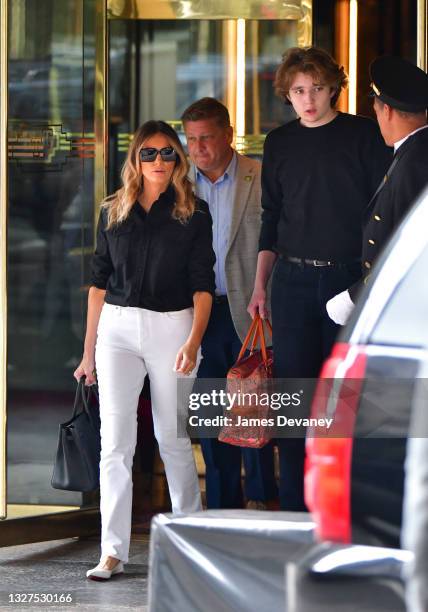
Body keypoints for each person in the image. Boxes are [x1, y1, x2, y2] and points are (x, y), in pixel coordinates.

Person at [248, 47, 391, 511]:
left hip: (348, 281)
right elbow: (271, 217)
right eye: (298, 91)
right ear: (288, 95)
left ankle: (340, 503)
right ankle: (294, 506)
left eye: (317, 89)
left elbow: (381, 213)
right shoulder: (280, 143)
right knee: (293, 396)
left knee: (344, 396)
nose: (308, 100)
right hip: (289, 280)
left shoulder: (365, 136)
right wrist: (258, 287)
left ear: (334, 89)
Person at [74, 120, 215, 579]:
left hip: (173, 328)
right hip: (116, 328)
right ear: (135, 159)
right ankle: (112, 551)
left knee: (172, 439)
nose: (158, 161)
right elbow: (98, 283)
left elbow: (202, 286)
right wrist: (87, 352)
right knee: (115, 444)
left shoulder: (194, 213)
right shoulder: (113, 210)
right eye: (148, 153)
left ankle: (189, 544)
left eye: (167, 153)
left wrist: (193, 341)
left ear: (179, 159)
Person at [181, 97, 278, 510]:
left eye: (205, 138)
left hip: (250, 310)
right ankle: (220, 504)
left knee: (252, 405)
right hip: (198, 314)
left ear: (228, 135)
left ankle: (259, 497)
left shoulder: (260, 176)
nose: (198, 148)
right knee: (210, 411)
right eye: (191, 140)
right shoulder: (177, 184)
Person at [327, 55, 428, 325]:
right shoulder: (411, 152)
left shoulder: (416, 162)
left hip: (405, 306)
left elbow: (411, 247)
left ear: (387, 111)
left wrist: (356, 296)